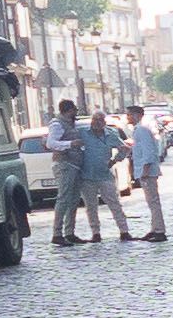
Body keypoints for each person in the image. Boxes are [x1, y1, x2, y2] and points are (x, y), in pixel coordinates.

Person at [77, 108, 134, 241]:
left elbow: (125, 148)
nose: (96, 122)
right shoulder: (83, 133)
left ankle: (124, 231)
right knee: (91, 206)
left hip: (105, 174)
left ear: (104, 122)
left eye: (99, 120)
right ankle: (95, 233)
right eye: (94, 119)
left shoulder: (110, 134)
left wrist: (114, 160)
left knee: (114, 203)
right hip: (86, 175)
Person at [122, 103, 170, 242]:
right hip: (144, 171)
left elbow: (148, 151)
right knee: (151, 202)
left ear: (137, 115)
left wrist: (145, 170)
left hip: (147, 172)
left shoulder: (142, 130)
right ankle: (155, 229)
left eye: (129, 114)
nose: (127, 117)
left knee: (153, 202)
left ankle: (159, 231)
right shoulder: (138, 130)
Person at [47, 99, 90, 243]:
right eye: (74, 110)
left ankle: (69, 232)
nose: (75, 113)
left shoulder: (71, 123)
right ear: (68, 110)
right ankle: (57, 233)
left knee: (74, 199)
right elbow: (51, 143)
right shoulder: (57, 124)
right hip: (64, 164)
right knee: (64, 198)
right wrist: (70, 144)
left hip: (74, 165)